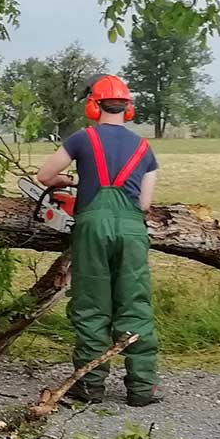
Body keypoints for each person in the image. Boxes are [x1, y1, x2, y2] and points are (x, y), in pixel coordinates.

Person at [34, 75, 163, 406]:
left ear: (93, 105)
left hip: (92, 227)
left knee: (92, 304)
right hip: (133, 229)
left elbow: (44, 176)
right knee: (134, 302)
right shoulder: (145, 149)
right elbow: (145, 204)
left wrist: (67, 180)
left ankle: (91, 386)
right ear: (128, 108)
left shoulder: (81, 139)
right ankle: (141, 387)